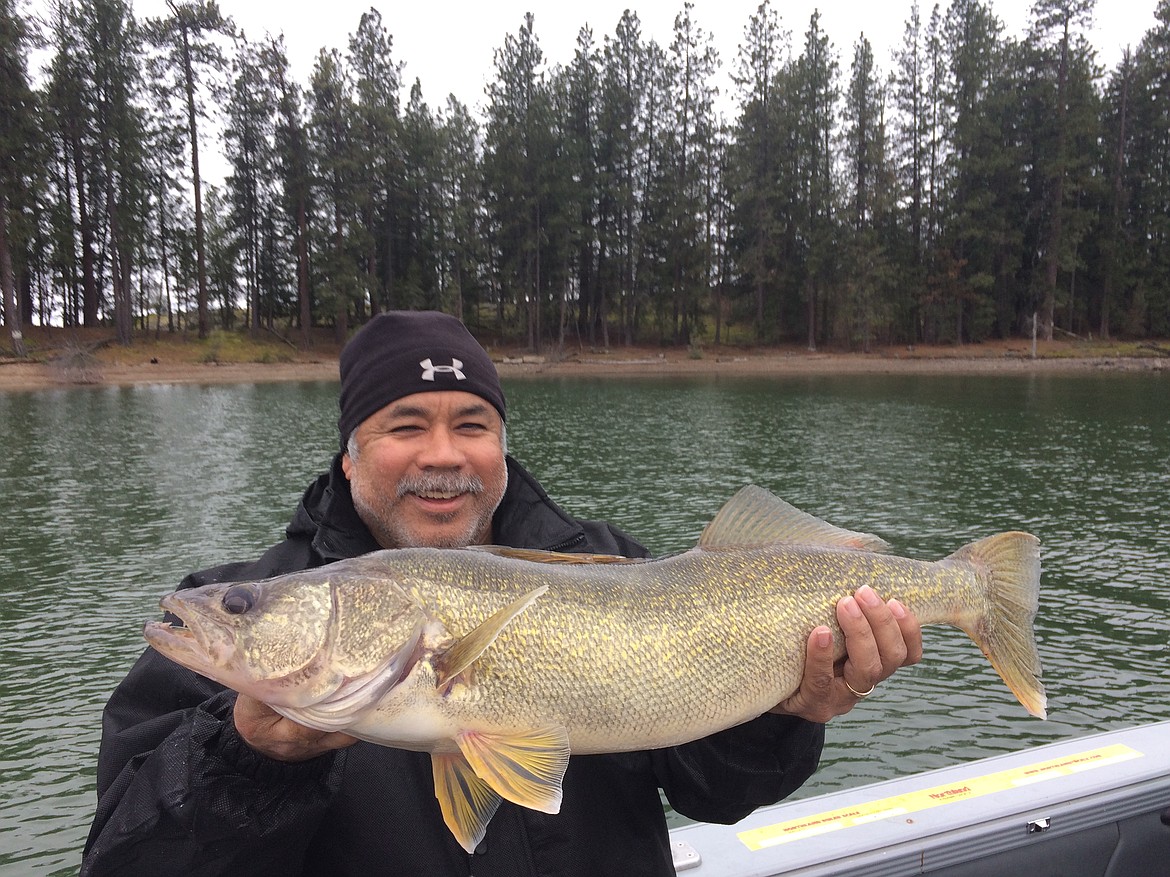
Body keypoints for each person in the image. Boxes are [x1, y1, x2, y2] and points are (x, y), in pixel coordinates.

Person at [81, 310, 922, 877]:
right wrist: (243, 757)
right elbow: (125, 861)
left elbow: (720, 791)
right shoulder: (221, 648)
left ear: (503, 449)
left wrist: (790, 710)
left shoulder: (612, 564)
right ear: (348, 454)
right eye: (405, 424)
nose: (442, 454)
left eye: (472, 425)